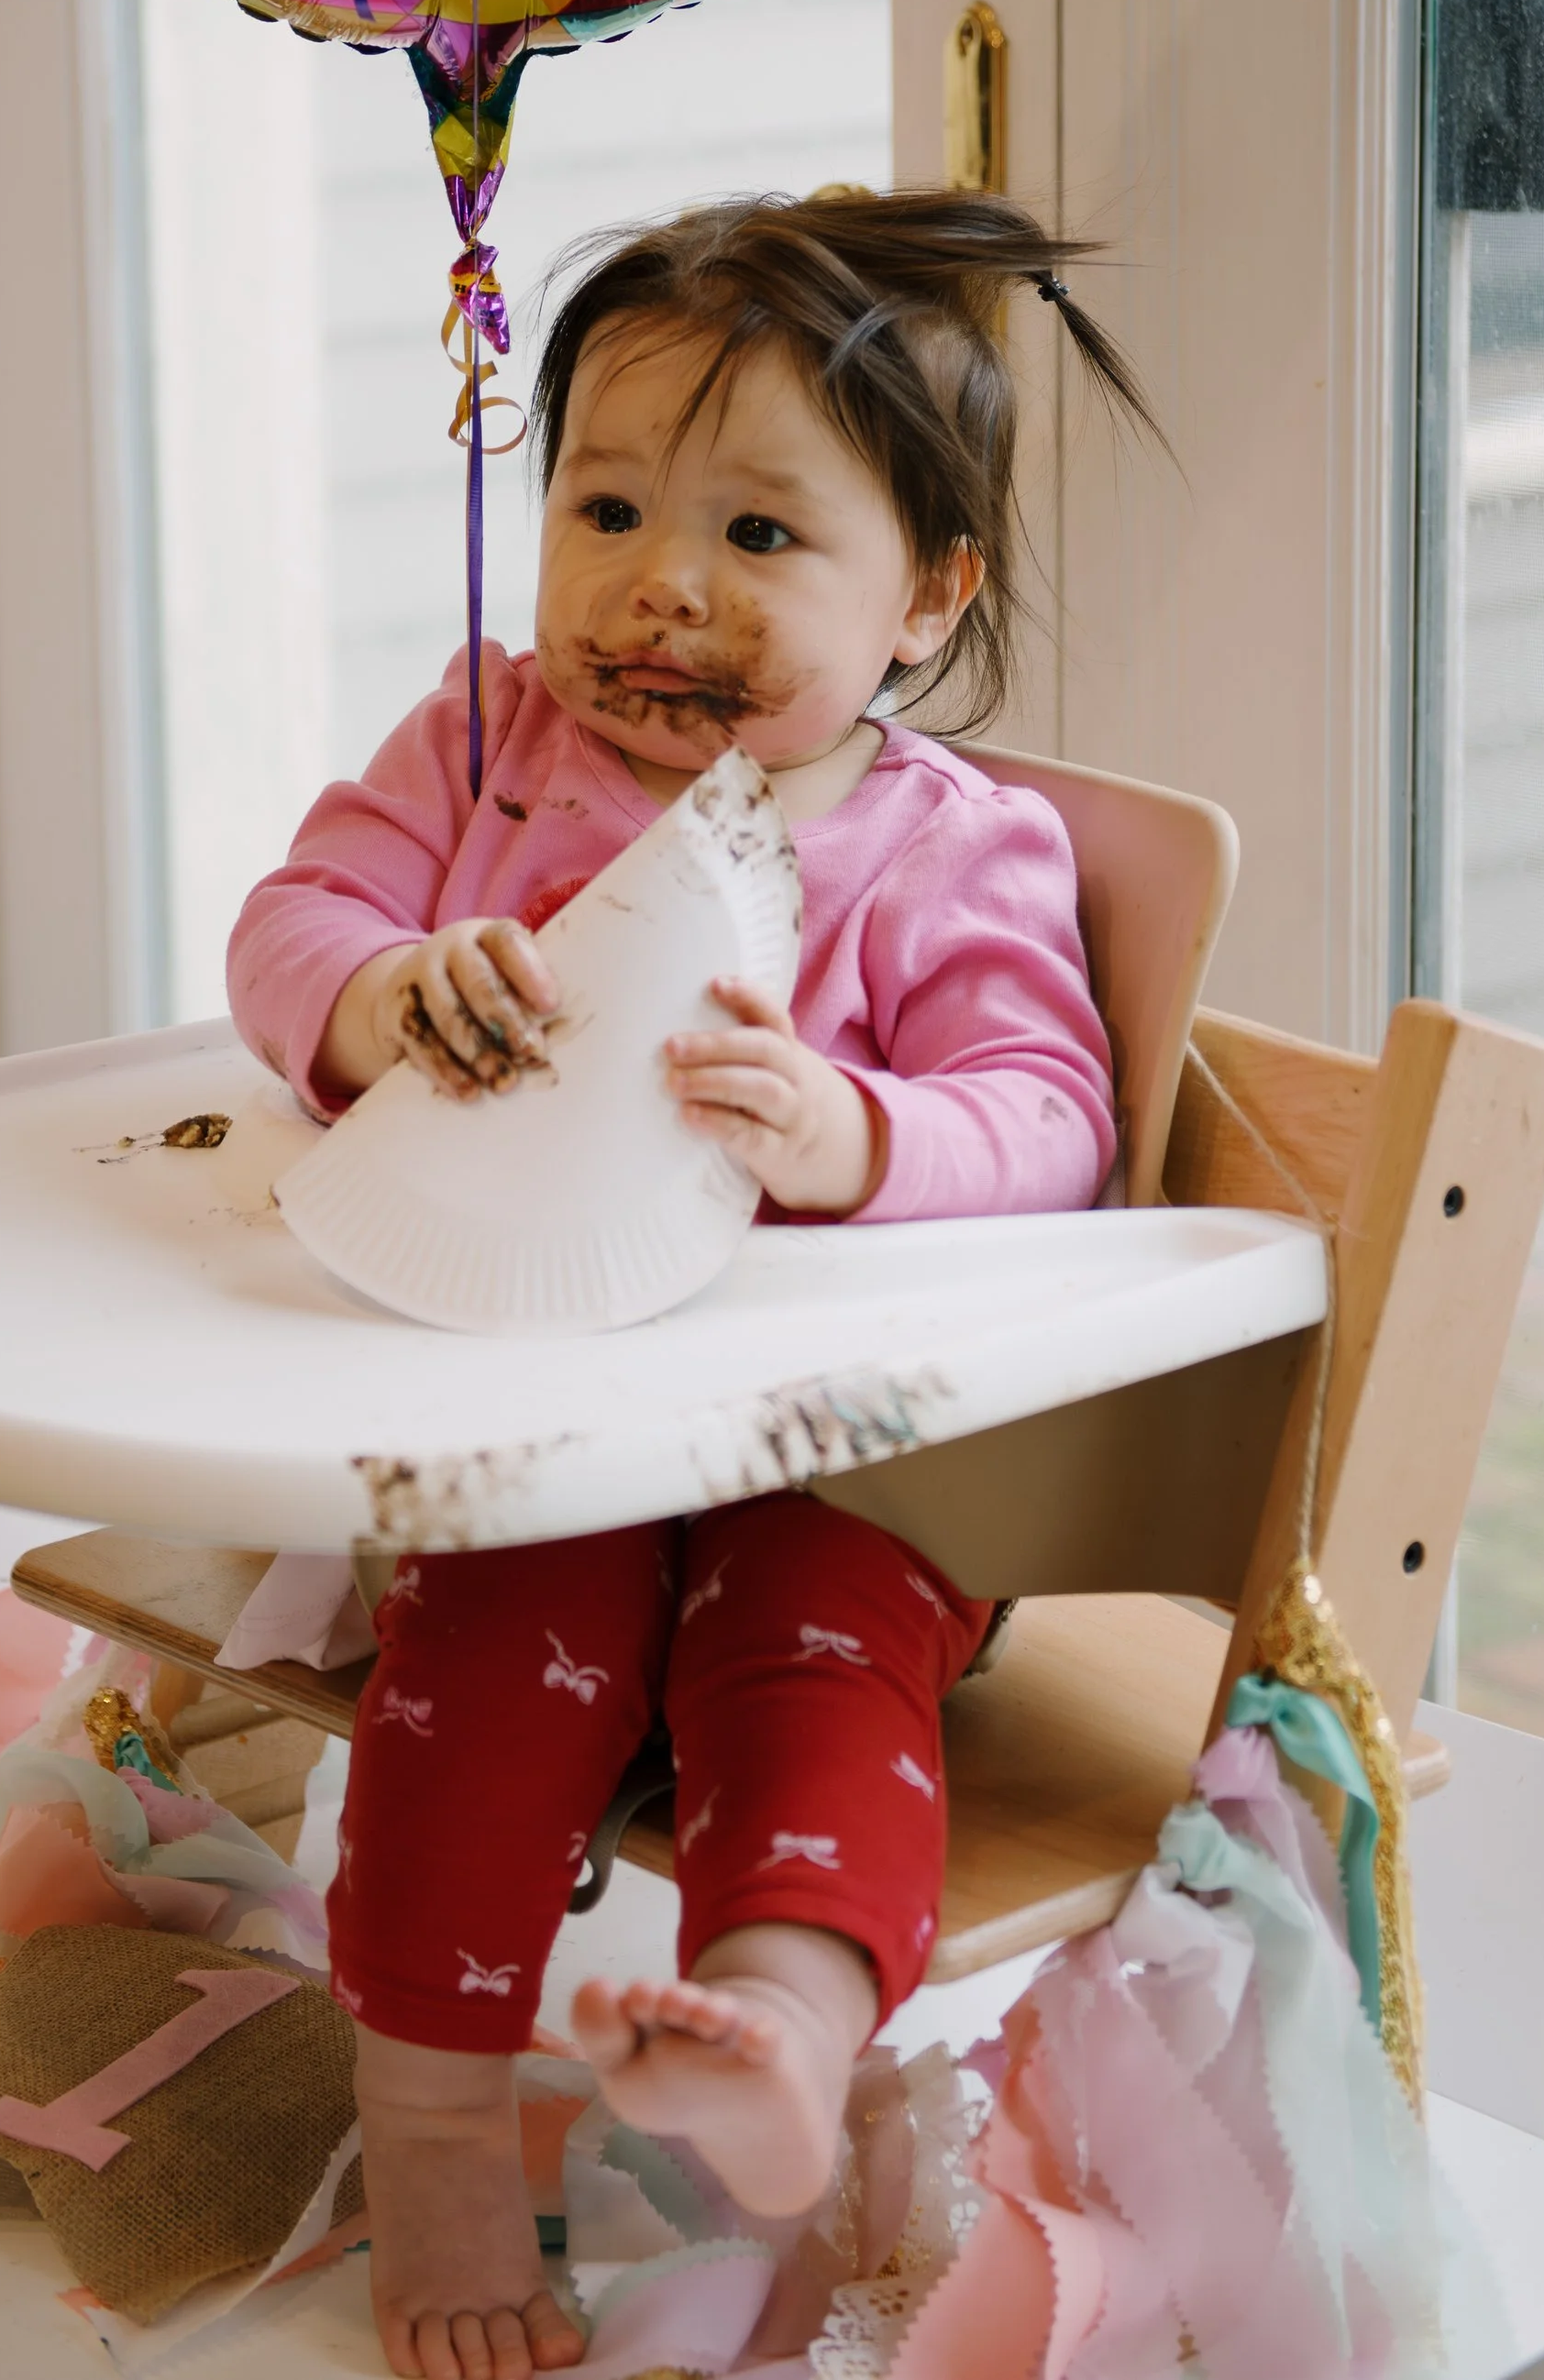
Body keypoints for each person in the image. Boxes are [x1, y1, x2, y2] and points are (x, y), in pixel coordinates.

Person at [229, 189, 1161, 2380]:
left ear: (924, 592)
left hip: (847, 1465)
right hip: (534, 1423)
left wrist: (857, 1136)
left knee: (818, 1659)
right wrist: (376, 995)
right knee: (481, 1660)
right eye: (610, 504)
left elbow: (1050, 1112)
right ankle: (437, 2124)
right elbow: (287, 928)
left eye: (759, 538)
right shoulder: (478, 754)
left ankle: (773, 2017)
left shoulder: (944, 846)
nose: (661, 582)